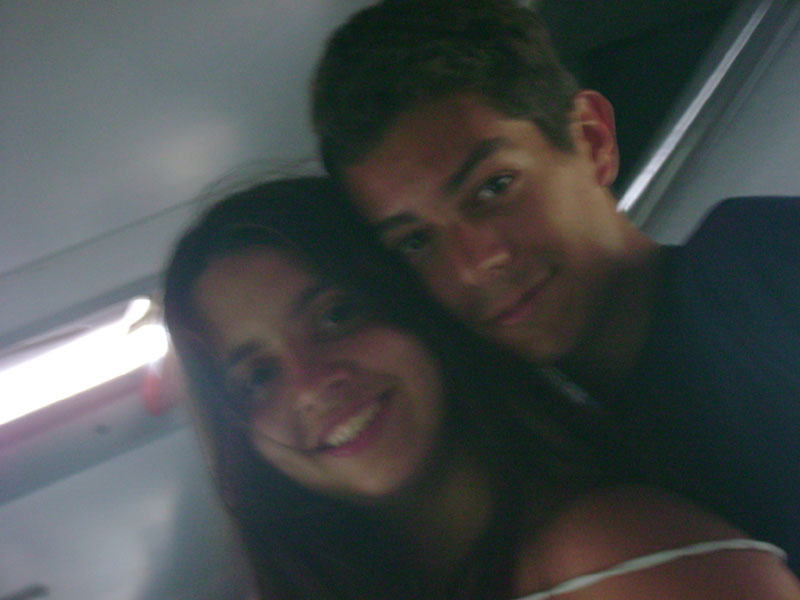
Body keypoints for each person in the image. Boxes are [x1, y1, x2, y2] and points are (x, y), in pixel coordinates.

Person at [310, 0, 800, 573]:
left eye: (494, 187)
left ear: (592, 140)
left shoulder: (759, 262)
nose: (474, 264)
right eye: (417, 241)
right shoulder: (563, 465)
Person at [162, 176, 799, 599]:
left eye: (336, 316)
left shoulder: (613, 553)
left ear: (418, 305)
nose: (310, 384)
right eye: (258, 377)